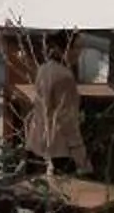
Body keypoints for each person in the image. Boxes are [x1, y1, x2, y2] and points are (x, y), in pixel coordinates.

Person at [23, 37, 86, 175]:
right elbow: (66, 117)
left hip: (37, 140)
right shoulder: (65, 76)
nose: (79, 52)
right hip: (58, 147)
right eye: (76, 48)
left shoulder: (43, 69)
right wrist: (79, 152)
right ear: (63, 48)